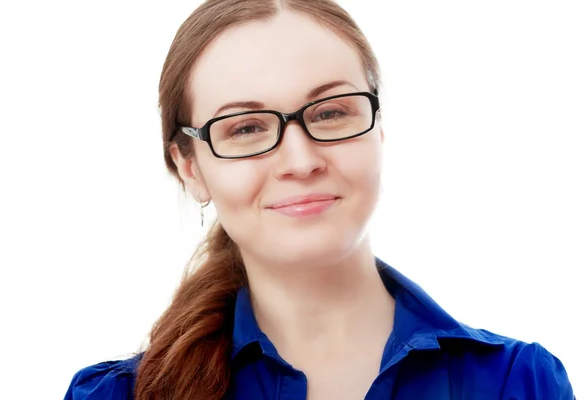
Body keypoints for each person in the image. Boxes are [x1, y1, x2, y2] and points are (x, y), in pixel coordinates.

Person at [64, 0, 575, 399]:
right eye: (244, 127)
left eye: (330, 112)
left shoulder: (521, 383)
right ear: (189, 167)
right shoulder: (116, 396)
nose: (301, 160)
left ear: (379, 129)